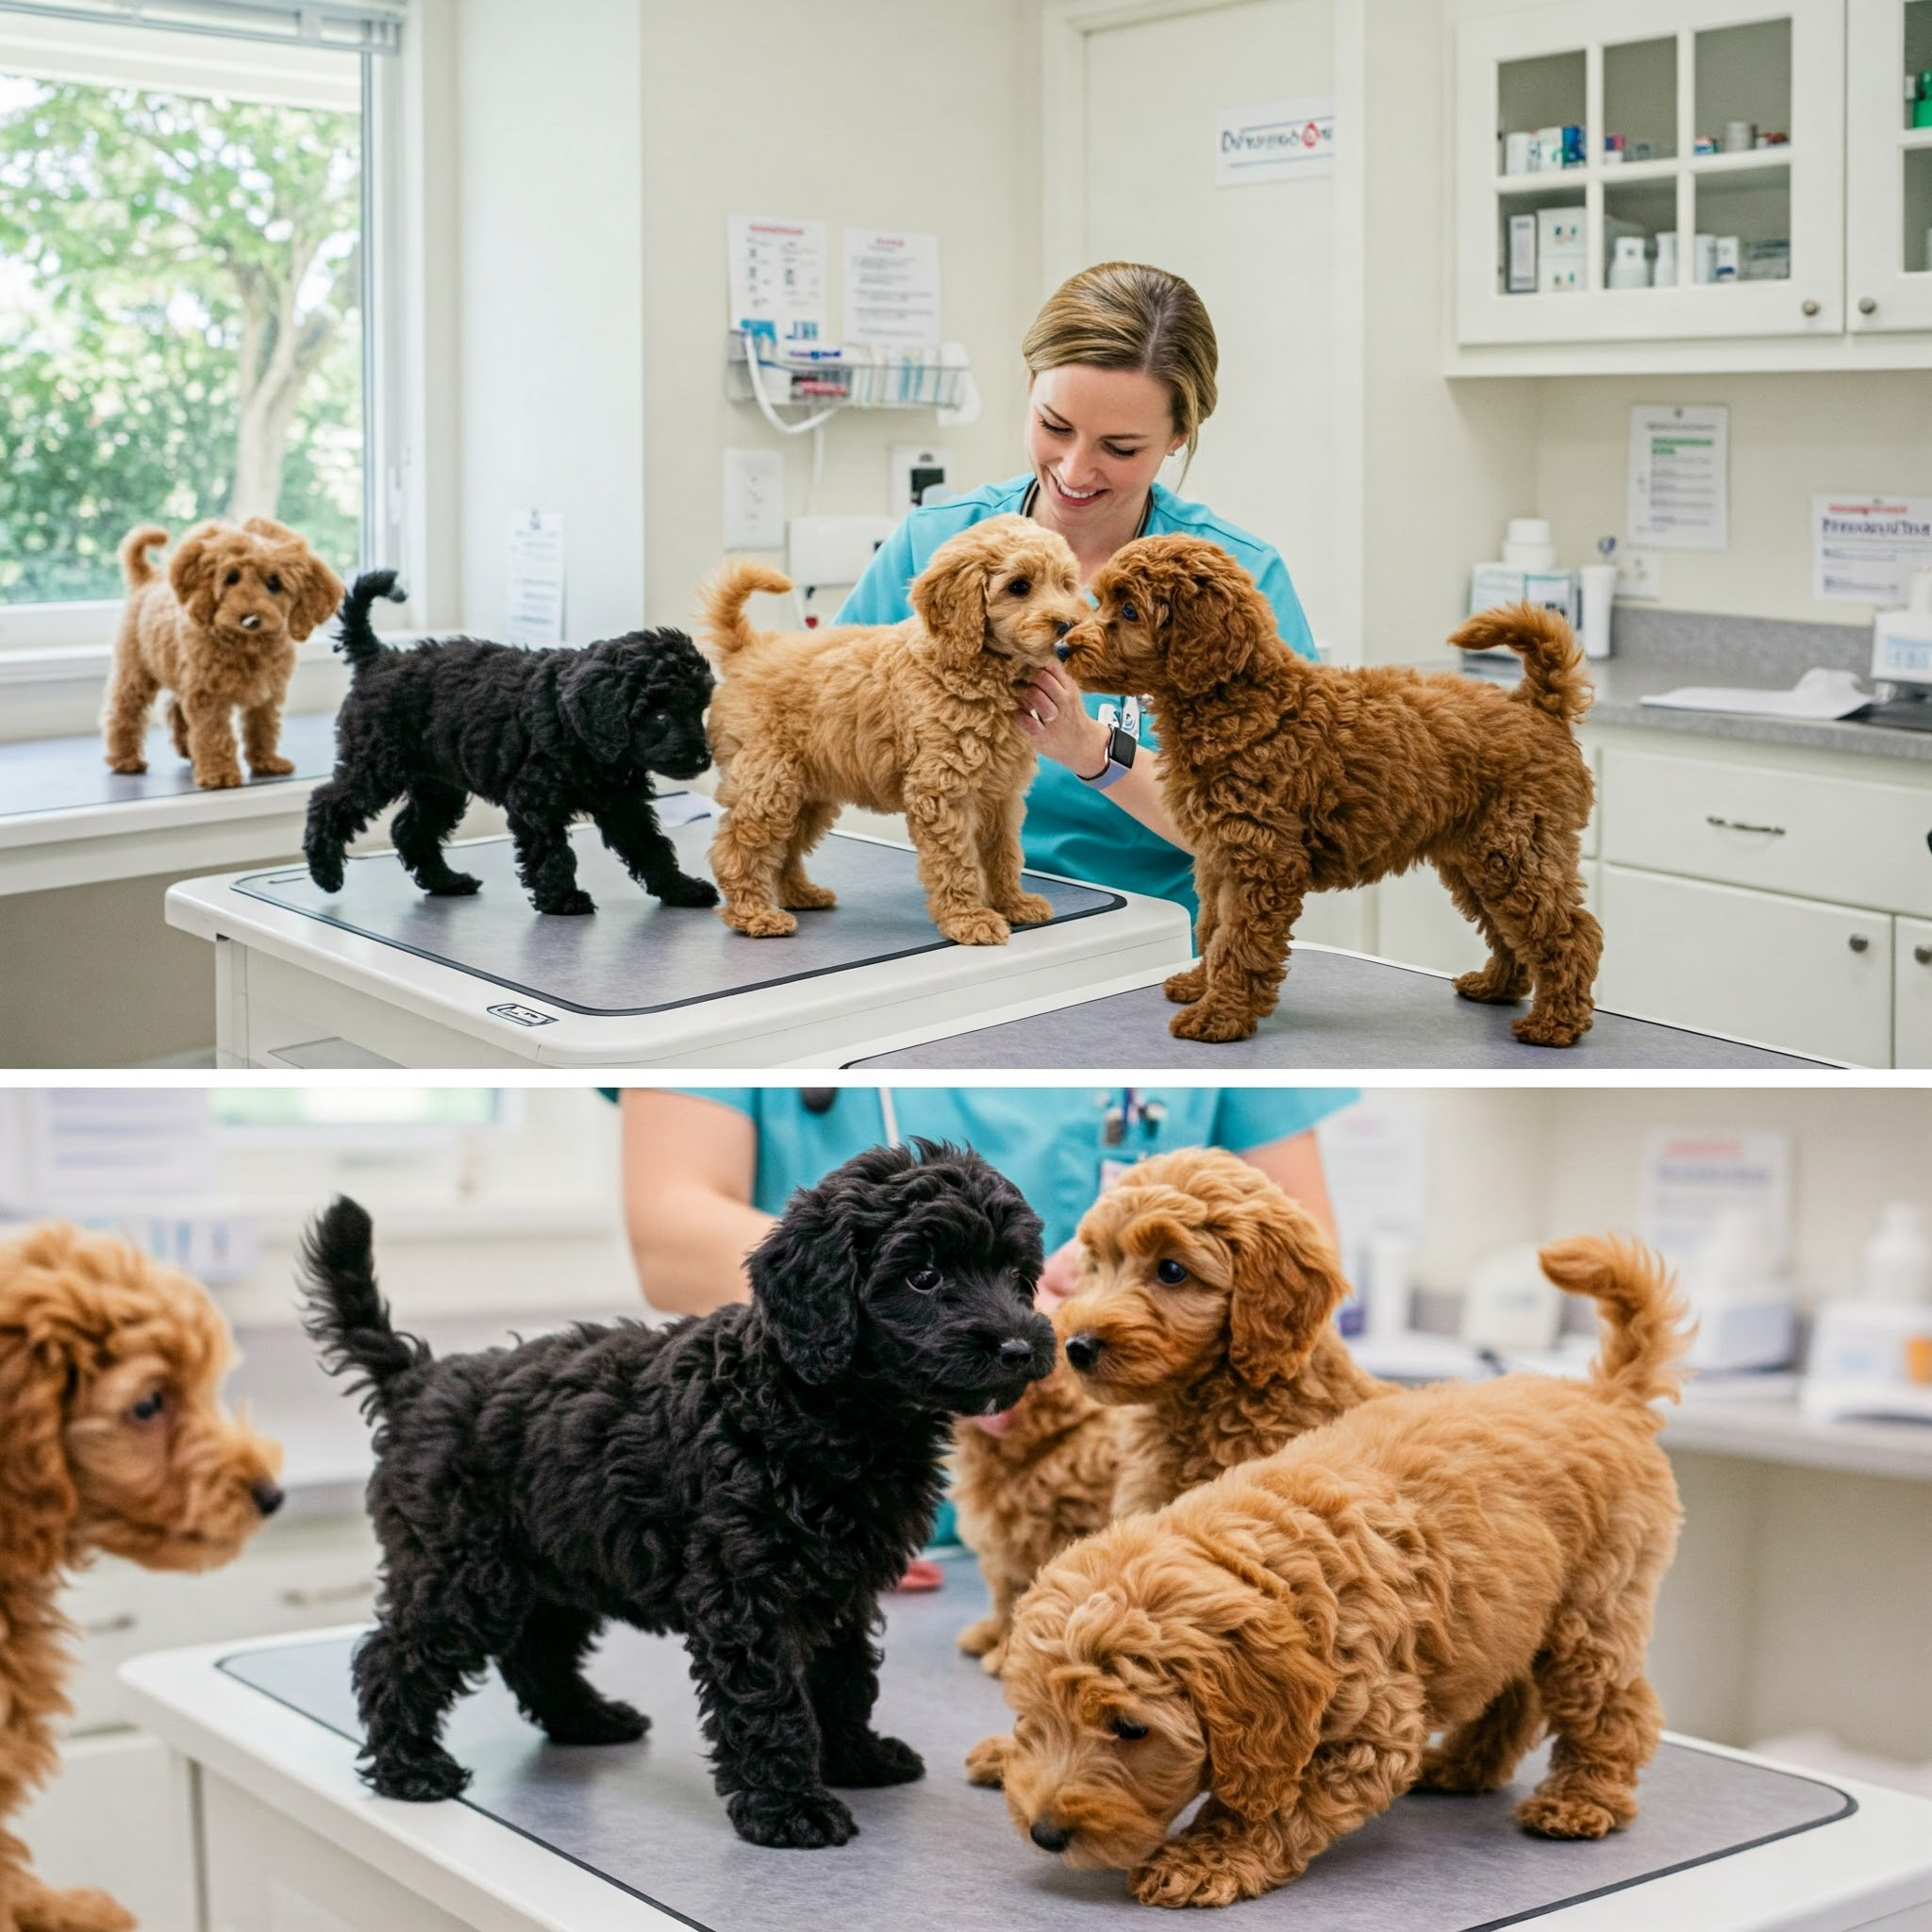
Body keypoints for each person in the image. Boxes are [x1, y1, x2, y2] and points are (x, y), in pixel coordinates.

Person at [836, 260, 1319, 920]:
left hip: (1156, 939)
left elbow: (1280, 832)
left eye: (1119, 448)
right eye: (1055, 426)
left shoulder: (1232, 586)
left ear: (1178, 437)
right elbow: (824, 715)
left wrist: (1092, 751)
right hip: (963, 924)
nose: (1074, 470)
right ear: (1031, 386)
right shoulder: (938, 546)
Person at [619, 1086, 1351, 1317]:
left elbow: (1300, 1269)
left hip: (1130, 1500)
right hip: (834, 1467)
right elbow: (668, 1231)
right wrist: (924, 1323)